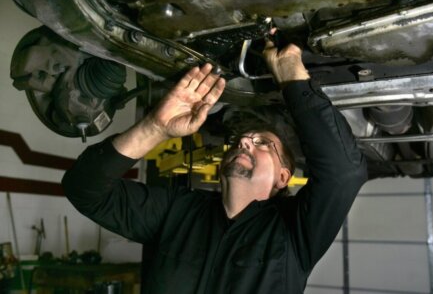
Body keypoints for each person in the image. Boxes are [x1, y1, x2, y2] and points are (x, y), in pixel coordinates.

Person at [62, 38, 367, 293]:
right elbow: (84, 189)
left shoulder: (295, 233)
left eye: (262, 143)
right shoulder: (176, 211)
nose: (244, 142)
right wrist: (154, 128)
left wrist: (293, 79)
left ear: (283, 177)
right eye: (240, 141)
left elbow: (344, 171)